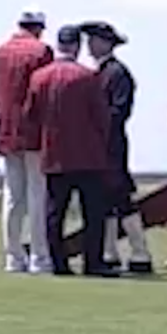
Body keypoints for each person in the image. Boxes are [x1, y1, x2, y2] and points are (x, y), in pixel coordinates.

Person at [24, 25, 119, 277]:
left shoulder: (39, 77)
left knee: (55, 212)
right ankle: (93, 262)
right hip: (88, 155)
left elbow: (30, 115)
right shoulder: (88, 77)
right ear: (76, 46)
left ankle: (58, 262)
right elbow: (102, 117)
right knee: (93, 213)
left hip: (54, 154)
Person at [80, 21, 154, 274]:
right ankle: (110, 252)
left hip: (110, 146)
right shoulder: (96, 73)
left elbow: (118, 112)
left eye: (94, 40)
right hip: (96, 146)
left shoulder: (118, 73)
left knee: (122, 200)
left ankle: (140, 253)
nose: (89, 44)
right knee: (105, 202)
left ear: (107, 43)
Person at [0, 7, 54, 274]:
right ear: (39, 27)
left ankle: (13, 257)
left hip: (7, 129)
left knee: (13, 196)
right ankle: (39, 256)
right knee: (37, 194)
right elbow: (45, 91)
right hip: (35, 130)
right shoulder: (42, 52)